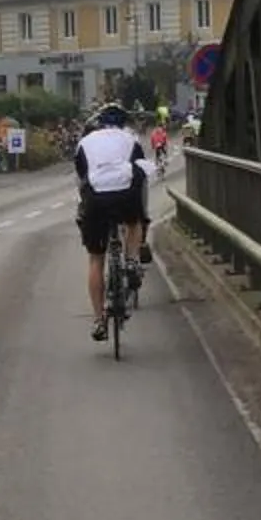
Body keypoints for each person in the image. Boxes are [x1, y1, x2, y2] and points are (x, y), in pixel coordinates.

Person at [75, 102, 152, 342]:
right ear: (122, 123)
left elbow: (81, 177)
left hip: (96, 198)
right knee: (134, 222)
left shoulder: (84, 143)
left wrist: (84, 208)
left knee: (96, 259)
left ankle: (99, 320)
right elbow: (141, 169)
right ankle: (130, 261)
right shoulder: (131, 138)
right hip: (125, 194)